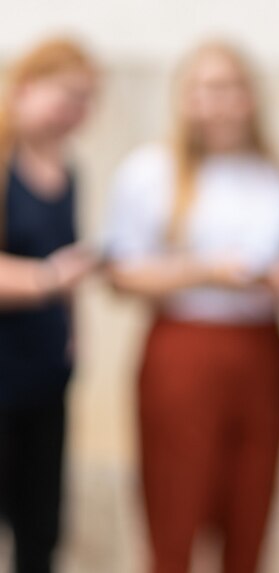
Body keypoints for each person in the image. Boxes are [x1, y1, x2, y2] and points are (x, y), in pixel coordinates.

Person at [105, 41, 279, 573]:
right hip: (184, 347)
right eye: (205, 89)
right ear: (185, 98)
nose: (218, 103)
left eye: (230, 88)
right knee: (176, 504)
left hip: (262, 349)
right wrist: (206, 269)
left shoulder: (277, 176)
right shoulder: (152, 170)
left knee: (251, 503)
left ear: (250, 97)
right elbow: (121, 273)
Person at [0, 38, 99, 573]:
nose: (76, 112)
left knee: (41, 528)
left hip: (45, 376)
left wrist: (72, 329)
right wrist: (48, 279)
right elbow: (54, 270)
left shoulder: (66, 169)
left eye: (86, 100)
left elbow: (67, 266)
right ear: (26, 87)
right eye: (69, 96)